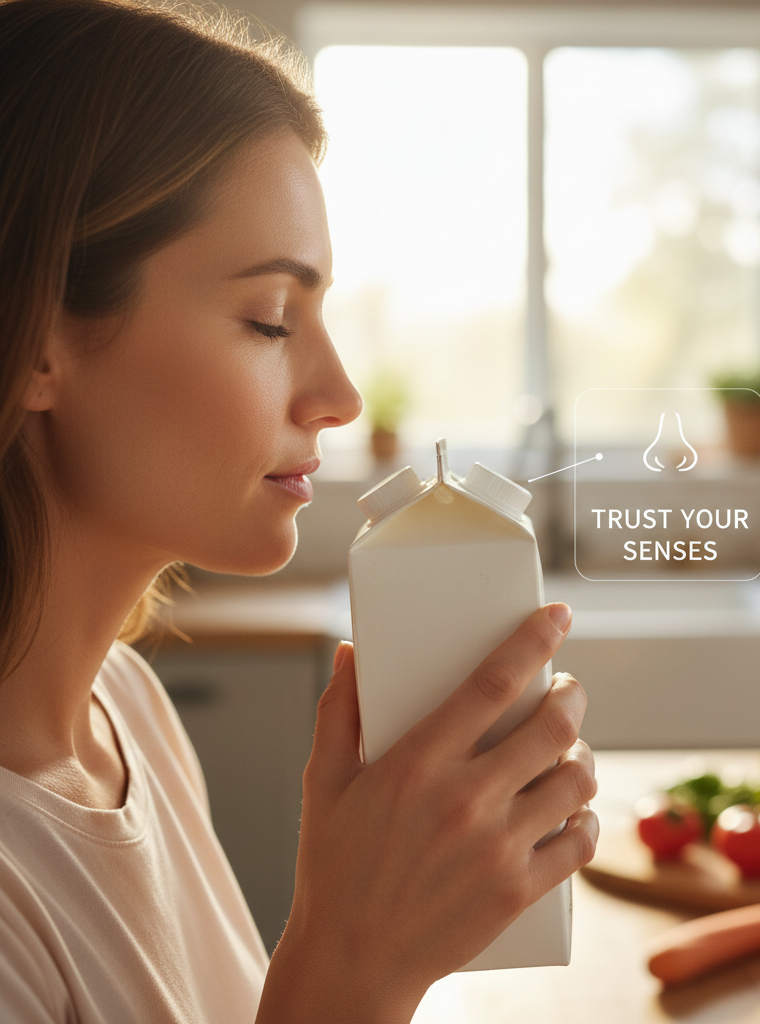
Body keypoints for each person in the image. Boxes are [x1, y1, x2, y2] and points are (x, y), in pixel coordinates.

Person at [0, 1, 599, 1021]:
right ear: (36, 338)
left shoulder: (127, 711)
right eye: (269, 318)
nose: (340, 395)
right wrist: (352, 968)